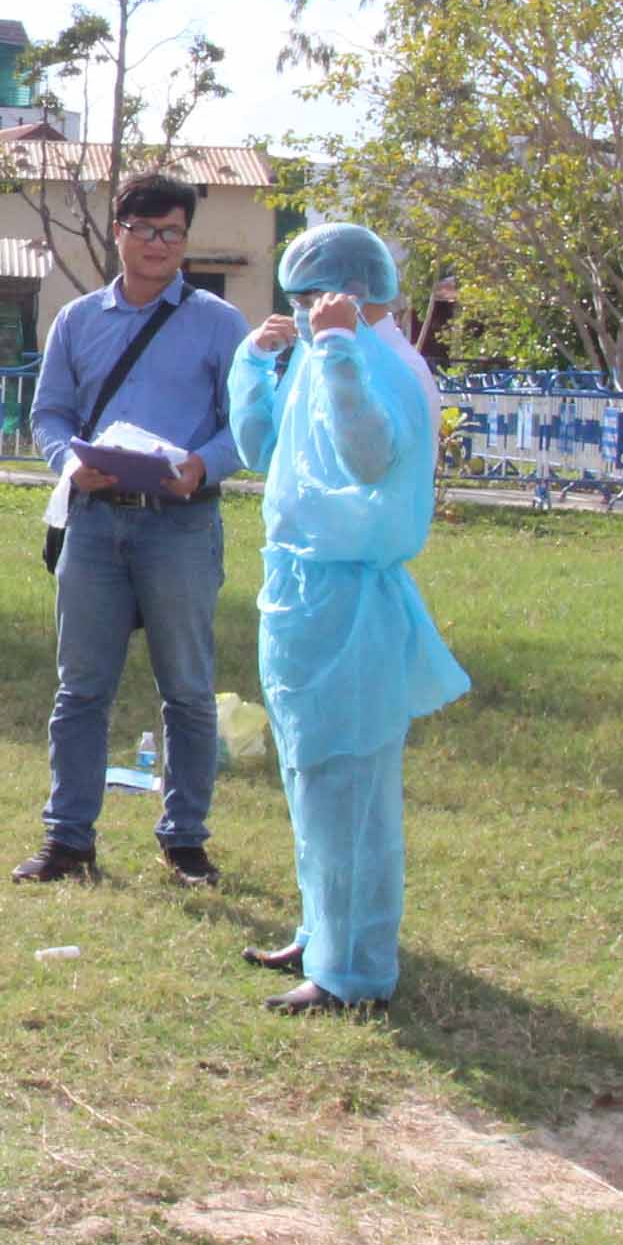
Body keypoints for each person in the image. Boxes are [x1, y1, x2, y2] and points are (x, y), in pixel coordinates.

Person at [229, 223, 470, 1013]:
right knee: (308, 777)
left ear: (357, 293)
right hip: (301, 590)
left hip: (351, 599)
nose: (302, 312)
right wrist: (254, 366)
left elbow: (370, 455)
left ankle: (353, 969)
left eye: (313, 297)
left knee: (351, 788)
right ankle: (319, 931)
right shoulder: (322, 351)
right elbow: (269, 451)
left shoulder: (386, 365)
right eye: (296, 300)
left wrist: (333, 350)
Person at [13, 173, 250, 887]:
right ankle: (68, 840)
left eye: (171, 232)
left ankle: (183, 841)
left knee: (186, 688)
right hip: (93, 526)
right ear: (118, 230)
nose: (157, 245)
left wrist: (202, 467)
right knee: (80, 688)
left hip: (179, 524)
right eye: (144, 230)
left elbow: (247, 423)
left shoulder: (217, 322)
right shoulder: (78, 320)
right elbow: (48, 414)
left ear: (185, 239)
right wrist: (67, 464)